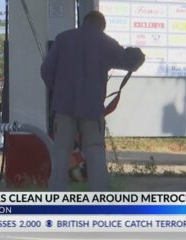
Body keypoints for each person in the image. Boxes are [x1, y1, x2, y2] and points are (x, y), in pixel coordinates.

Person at [40, 11, 145, 191]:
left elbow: (46, 70)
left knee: (61, 153)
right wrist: (135, 52)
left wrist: (59, 91)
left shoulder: (63, 39)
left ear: (84, 22)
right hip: (92, 109)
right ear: (102, 26)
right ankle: (99, 198)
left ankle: (55, 198)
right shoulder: (105, 41)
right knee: (95, 151)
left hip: (64, 107)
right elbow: (132, 62)